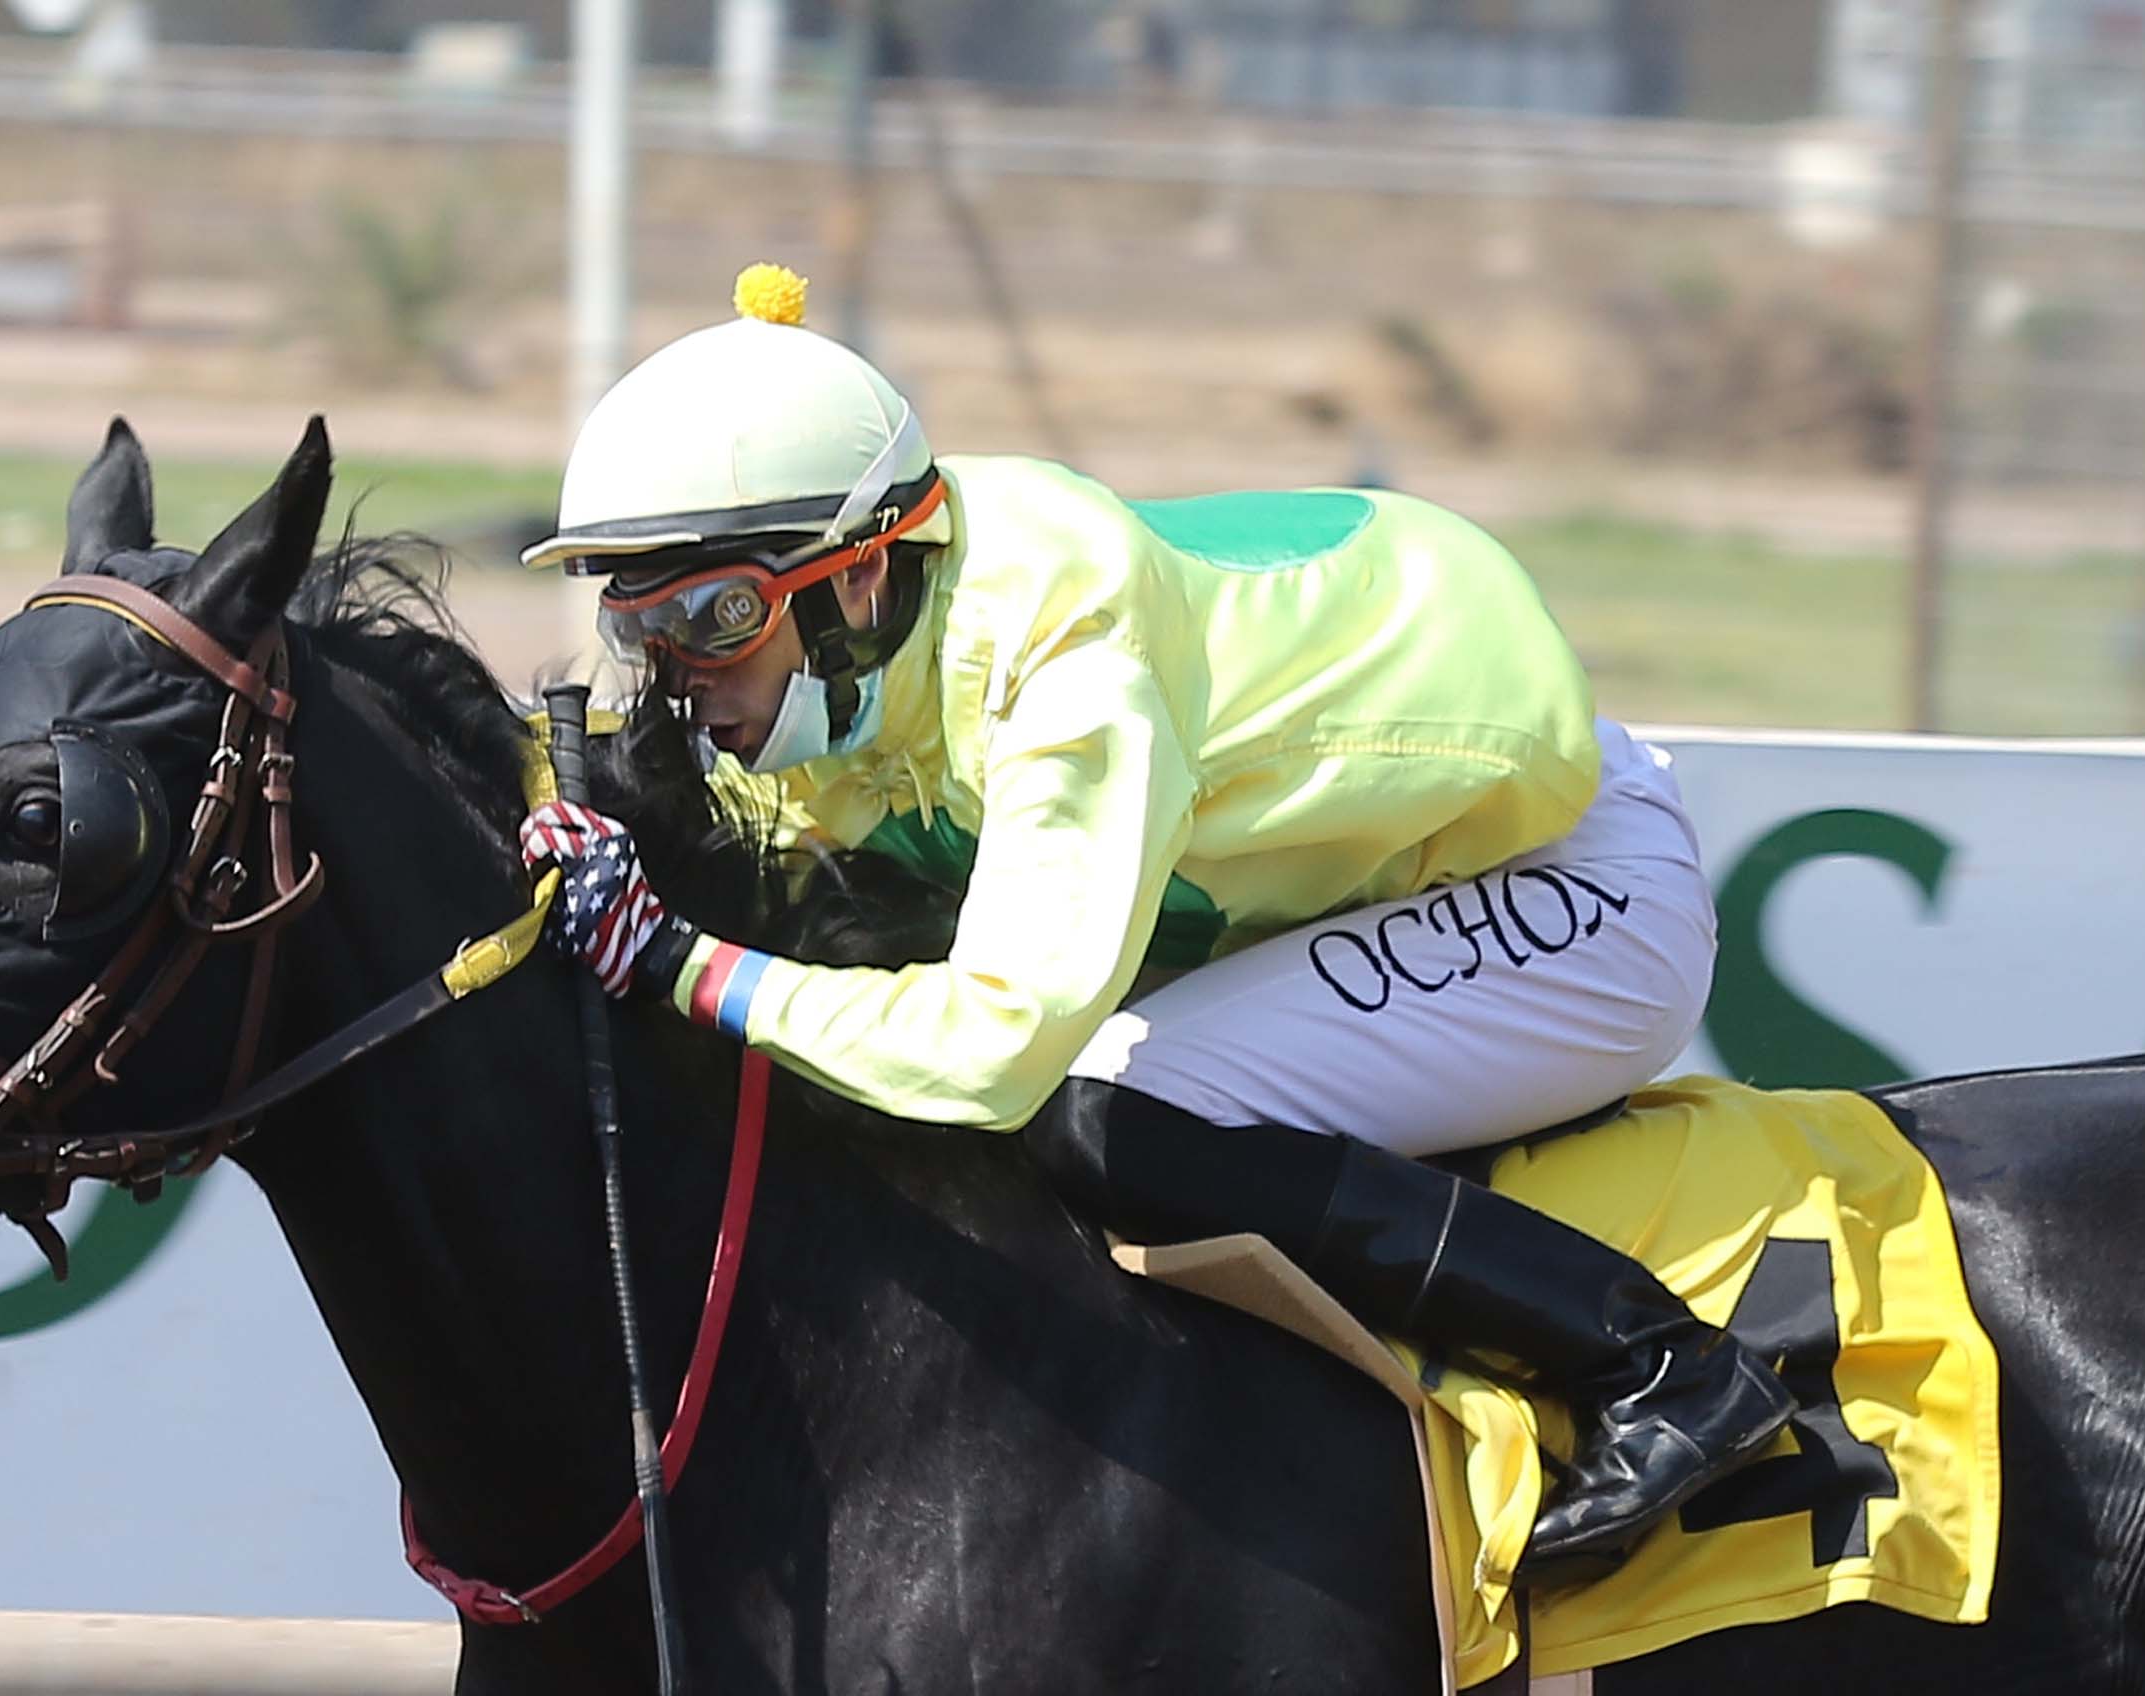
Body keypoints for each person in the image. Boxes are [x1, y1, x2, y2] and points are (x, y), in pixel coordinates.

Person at [512, 265, 1793, 1581]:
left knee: (1111, 1108)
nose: (684, 674)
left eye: (716, 616)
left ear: (862, 576)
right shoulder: (864, 648)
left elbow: (993, 1048)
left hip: (1572, 895)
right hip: (1384, 879)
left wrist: (682, 963)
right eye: (642, 624)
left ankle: (1660, 1366)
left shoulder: (1070, 661)